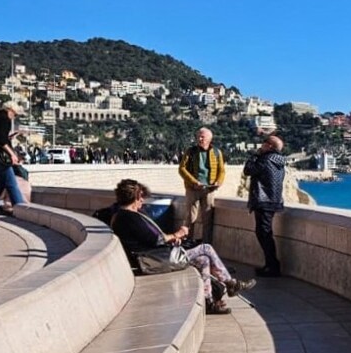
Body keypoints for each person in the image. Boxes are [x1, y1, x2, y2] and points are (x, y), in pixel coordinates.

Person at [108, 179, 252, 315]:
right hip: (152, 259)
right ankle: (230, 283)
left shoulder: (122, 216)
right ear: (134, 197)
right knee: (205, 248)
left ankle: (208, 301)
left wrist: (172, 240)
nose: (142, 200)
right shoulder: (129, 217)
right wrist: (178, 234)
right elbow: (156, 239)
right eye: (140, 197)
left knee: (203, 260)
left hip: (153, 257)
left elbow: (151, 238)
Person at [243, 131, 287, 277]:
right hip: (274, 201)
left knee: (264, 234)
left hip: (263, 200)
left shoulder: (265, 159)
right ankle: (271, 265)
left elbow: (248, 170)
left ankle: (272, 266)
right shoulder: (279, 160)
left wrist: (254, 156)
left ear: (269, 146)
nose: (261, 145)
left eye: (264, 143)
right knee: (265, 233)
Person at [177, 128, 224, 243]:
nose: (199, 139)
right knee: (190, 217)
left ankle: (206, 244)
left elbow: (221, 170)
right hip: (193, 189)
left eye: (202, 137)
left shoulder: (217, 153)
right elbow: (182, 169)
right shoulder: (191, 151)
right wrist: (193, 182)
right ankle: (187, 242)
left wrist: (218, 182)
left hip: (209, 189)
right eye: (198, 136)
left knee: (207, 219)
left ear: (209, 138)